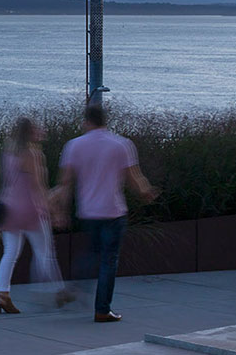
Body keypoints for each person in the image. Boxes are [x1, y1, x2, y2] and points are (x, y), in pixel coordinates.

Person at [53, 103, 159, 323]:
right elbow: (134, 177)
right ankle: (102, 310)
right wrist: (146, 191)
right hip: (113, 211)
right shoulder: (121, 144)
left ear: (86, 121)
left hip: (88, 212)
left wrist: (61, 211)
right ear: (105, 121)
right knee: (109, 260)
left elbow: (65, 183)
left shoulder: (73, 146)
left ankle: (75, 286)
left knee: (91, 253)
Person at [0, 116, 70, 314]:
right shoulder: (32, 154)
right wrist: (55, 211)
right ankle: (58, 290)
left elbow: (6, 182)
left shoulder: (7, 152)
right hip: (30, 210)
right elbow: (38, 187)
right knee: (44, 252)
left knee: (10, 252)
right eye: (36, 128)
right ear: (30, 133)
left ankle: (3, 295)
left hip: (9, 208)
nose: (40, 131)